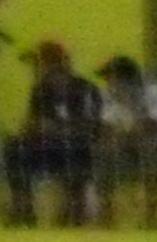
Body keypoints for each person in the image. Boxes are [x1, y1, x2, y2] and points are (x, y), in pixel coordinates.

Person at [7, 41, 104, 227]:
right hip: (50, 148)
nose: (37, 70)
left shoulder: (86, 89)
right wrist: (30, 128)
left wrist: (57, 128)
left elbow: (93, 127)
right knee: (15, 146)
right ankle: (23, 209)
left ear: (59, 65)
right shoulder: (40, 91)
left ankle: (75, 210)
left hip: (79, 148)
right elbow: (34, 122)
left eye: (40, 65)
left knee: (77, 148)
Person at [93, 55, 157, 230]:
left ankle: (151, 217)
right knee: (103, 151)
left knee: (152, 150)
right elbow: (107, 128)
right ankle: (106, 213)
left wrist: (127, 132)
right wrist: (118, 137)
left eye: (112, 79)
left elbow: (156, 126)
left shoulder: (154, 93)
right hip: (127, 145)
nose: (109, 84)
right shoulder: (110, 96)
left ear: (127, 79)